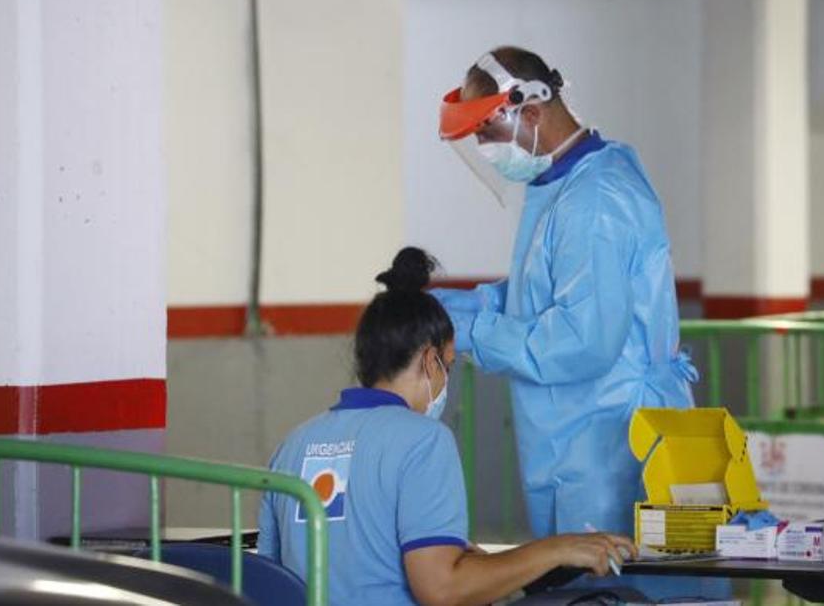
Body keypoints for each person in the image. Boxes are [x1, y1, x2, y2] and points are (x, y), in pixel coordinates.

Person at [433, 47, 700, 583]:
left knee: (614, 584)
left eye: (488, 133)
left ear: (531, 112)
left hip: (613, 440)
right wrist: (463, 306)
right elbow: (546, 291)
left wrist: (475, 331)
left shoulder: (595, 200)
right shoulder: (566, 186)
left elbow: (582, 338)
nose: (487, 150)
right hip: (578, 434)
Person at [258, 247, 636, 606]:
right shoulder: (423, 440)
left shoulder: (294, 443)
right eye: (449, 365)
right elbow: (441, 589)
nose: (447, 380)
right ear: (429, 360)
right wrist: (557, 549)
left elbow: (272, 577)